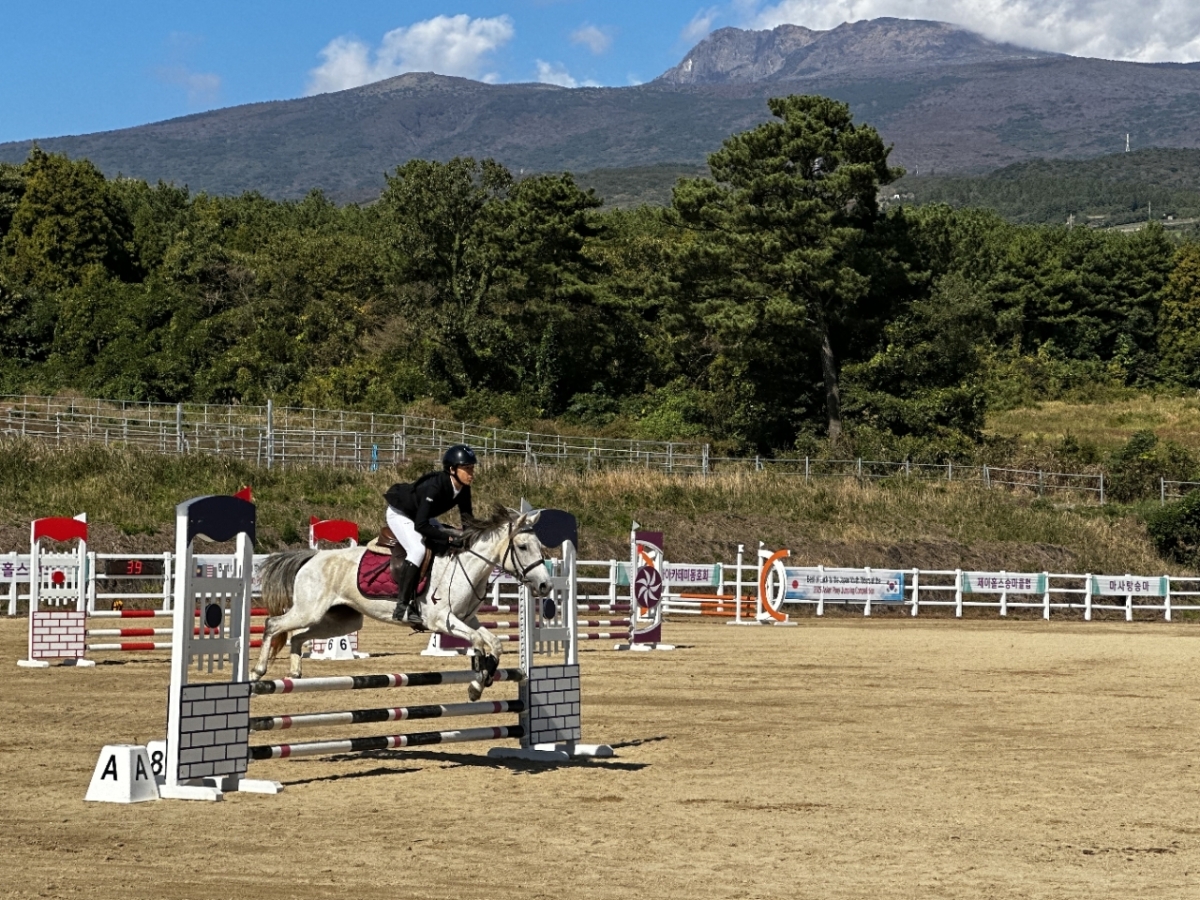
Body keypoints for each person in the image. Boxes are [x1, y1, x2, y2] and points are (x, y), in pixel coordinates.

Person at [383, 444, 477, 626]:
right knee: (418, 550)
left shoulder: (464, 488)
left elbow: (467, 521)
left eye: (472, 468)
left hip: (421, 515)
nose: (471, 473)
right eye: (467, 468)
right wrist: (449, 538)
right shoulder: (434, 487)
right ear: (452, 470)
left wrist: (472, 537)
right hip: (401, 513)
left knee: (447, 539)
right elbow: (421, 525)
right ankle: (403, 606)